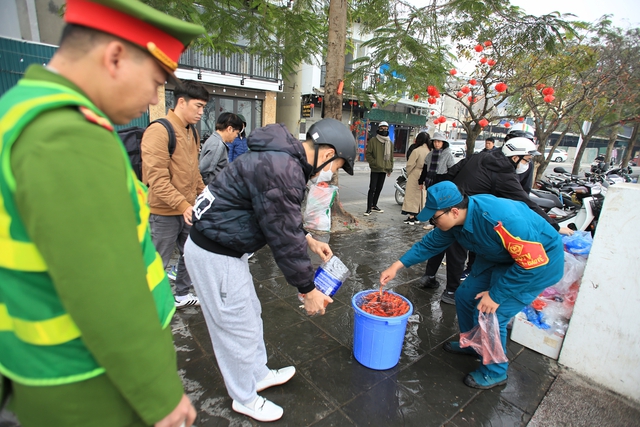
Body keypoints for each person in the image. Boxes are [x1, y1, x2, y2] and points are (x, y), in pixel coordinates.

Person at [0, 1, 204, 426]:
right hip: (89, 380)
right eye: (153, 80)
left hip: (45, 364)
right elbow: (106, 288)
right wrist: (160, 394)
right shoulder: (68, 135)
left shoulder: (19, 109)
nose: (153, 96)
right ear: (113, 57)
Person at [183, 118, 356, 422]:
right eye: (338, 165)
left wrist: (309, 239)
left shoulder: (281, 158)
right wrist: (308, 291)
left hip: (225, 248)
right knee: (234, 327)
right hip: (215, 253)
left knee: (249, 314)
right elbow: (283, 239)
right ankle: (244, 397)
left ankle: (257, 373)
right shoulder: (283, 169)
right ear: (327, 153)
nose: (332, 172)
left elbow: (276, 215)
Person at [380, 181, 564, 390]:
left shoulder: (501, 221)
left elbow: (531, 263)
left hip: (537, 264)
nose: (432, 222)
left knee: (492, 314)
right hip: (501, 257)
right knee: (465, 294)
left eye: (434, 217)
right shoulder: (453, 221)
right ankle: (473, 342)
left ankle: (496, 372)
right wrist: (397, 265)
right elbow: (430, 243)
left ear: (455, 211)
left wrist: (495, 295)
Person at [417, 137, 572, 305]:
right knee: (457, 250)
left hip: (452, 206)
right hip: (466, 214)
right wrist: (554, 226)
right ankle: (452, 290)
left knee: (440, 240)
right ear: (515, 157)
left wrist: (445, 200)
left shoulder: (479, 156)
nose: (526, 164)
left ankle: (429, 276)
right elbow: (525, 202)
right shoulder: (503, 172)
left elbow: (450, 174)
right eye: (526, 160)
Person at [142, 80, 209, 309]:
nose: (202, 112)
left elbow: (194, 172)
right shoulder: (159, 131)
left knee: (190, 256)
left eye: (203, 107)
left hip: (188, 209)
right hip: (164, 212)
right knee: (156, 262)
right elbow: (157, 180)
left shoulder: (192, 132)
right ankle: (148, 305)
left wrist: (206, 195)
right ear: (182, 102)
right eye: (198, 106)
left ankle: (182, 294)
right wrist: (183, 206)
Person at [199, 112, 245, 185]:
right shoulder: (217, 144)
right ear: (229, 129)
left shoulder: (214, 140)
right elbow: (204, 172)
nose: (236, 136)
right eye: (236, 133)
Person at [364, 121, 393, 215]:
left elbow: (391, 157)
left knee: (379, 188)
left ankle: (374, 205)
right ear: (378, 129)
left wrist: (390, 168)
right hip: (375, 169)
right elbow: (368, 154)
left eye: (386, 128)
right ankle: (368, 208)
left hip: (384, 169)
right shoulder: (373, 141)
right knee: (372, 188)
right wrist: (374, 163)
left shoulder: (389, 142)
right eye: (382, 128)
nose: (384, 130)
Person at [402, 132, 431, 225]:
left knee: (411, 195)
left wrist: (409, 173)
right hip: (425, 174)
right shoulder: (430, 151)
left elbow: (410, 164)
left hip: (416, 172)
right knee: (420, 195)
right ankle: (418, 216)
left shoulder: (417, 150)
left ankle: (411, 217)